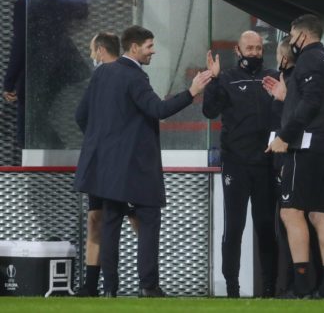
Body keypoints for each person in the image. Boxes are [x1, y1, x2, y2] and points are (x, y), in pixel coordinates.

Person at [74, 25, 212, 298]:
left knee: (110, 223)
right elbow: (158, 109)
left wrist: (103, 142)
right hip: (136, 168)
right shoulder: (134, 76)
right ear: (134, 47)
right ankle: (148, 286)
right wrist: (192, 91)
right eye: (149, 46)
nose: (154, 50)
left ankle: (110, 289)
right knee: (149, 220)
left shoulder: (102, 72)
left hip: (106, 167)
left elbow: (81, 115)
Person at [265, 14, 324, 299]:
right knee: (321, 214)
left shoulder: (309, 60)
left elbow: (310, 102)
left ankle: (302, 286)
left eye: (292, 35)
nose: (291, 41)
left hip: (306, 144)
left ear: (302, 36)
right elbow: (318, 100)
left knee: (290, 211)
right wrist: (290, 99)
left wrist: (285, 136)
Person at [202, 31, 279, 298]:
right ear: (238, 50)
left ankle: (270, 288)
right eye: (250, 48)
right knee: (234, 226)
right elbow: (209, 111)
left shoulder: (274, 77)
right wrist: (212, 79)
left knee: (267, 226)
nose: (255, 52)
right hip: (235, 163)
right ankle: (232, 288)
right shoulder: (226, 78)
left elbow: (285, 113)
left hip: (267, 164)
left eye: (258, 48)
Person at [76, 32, 139, 297]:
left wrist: (96, 138)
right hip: (118, 161)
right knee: (99, 218)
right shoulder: (124, 75)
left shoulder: (105, 76)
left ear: (101, 50)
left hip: (110, 163)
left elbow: (81, 116)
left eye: (92, 50)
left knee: (115, 218)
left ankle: (141, 281)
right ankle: (94, 286)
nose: (92, 56)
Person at [2, 0, 85, 148]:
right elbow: (81, 10)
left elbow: (20, 44)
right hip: (62, 72)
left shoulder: (24, 3)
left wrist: (9, 82)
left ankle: (50, 161)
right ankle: (58, 157)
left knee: (27, 127)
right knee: (37, 119)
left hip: (37, 75)